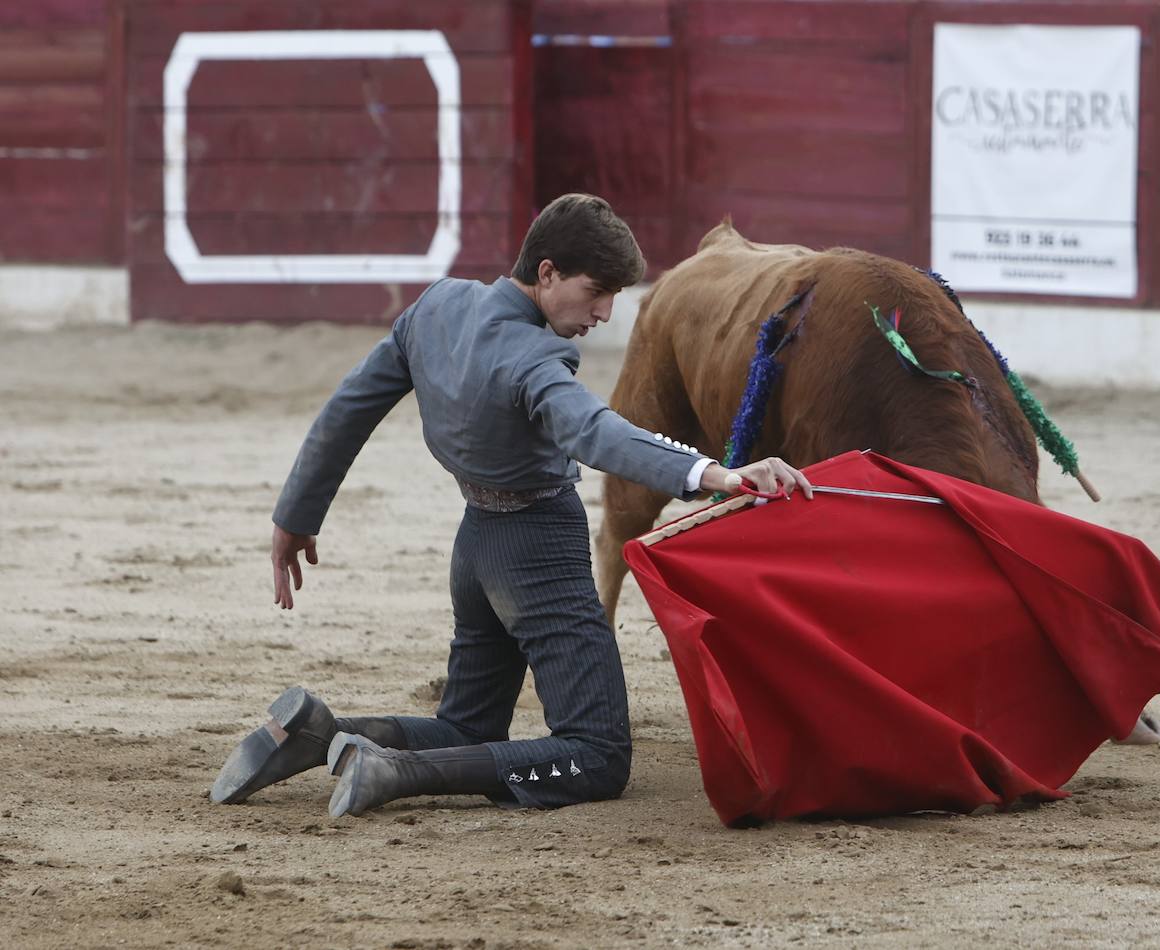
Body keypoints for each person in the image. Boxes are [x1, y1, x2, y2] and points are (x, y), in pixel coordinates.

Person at [211, 194, 812, 817]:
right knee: (598, 752)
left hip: (475, 548)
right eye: (596, 291)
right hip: (539, 553)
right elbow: (597, 432)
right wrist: (716, 473)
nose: (605, 313)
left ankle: (316, 733)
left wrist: (295, 516)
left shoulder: (438, 305)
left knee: (470, 727)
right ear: (547, 273)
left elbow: (350, 406)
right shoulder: (538, 360)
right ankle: (396, 771)